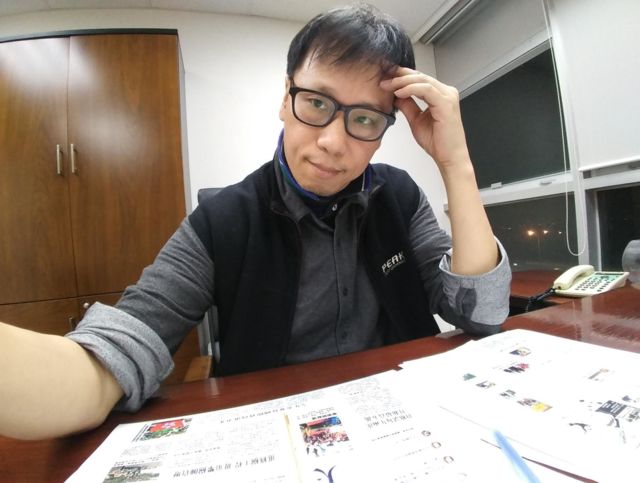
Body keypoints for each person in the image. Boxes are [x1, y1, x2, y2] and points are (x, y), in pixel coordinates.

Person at [0, 3, 511, 440]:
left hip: (406, 420)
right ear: (286, 97)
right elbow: (115, 354)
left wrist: (455, 163)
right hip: (278, 432)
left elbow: (481, 313)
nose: (333, 142)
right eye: (316, 103)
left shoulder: (398, 195)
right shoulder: (221, 220)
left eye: (364, 119)